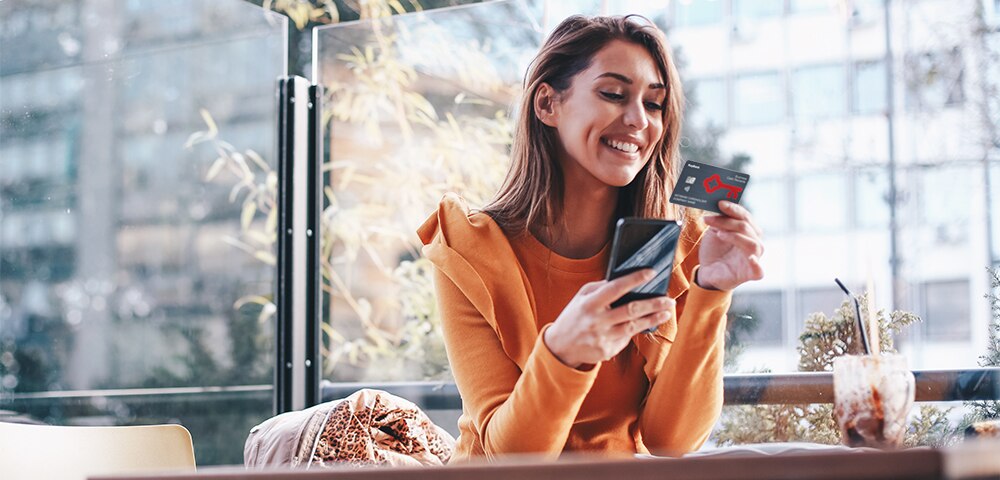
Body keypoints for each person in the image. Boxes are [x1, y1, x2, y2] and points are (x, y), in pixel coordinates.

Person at [417, 14, 764, 462]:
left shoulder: (680, 245)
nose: (639, 120)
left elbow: (671, 441)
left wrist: (712, 292)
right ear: (547, 104)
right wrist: (564, 351)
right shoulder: (471, 246)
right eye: (613, 94)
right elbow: (510, 457)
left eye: (655, 104)